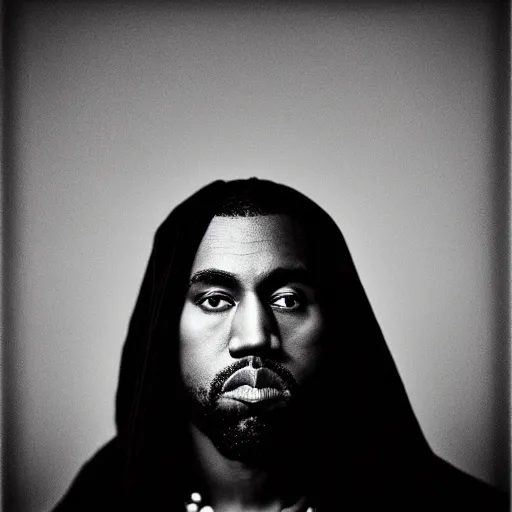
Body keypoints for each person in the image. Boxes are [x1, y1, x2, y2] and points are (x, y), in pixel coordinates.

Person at [53, 178, 507, 511]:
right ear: (163, 329)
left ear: (337, 323)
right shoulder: (103, 498)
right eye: (214, 300)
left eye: (287, 299)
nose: (254, 337)